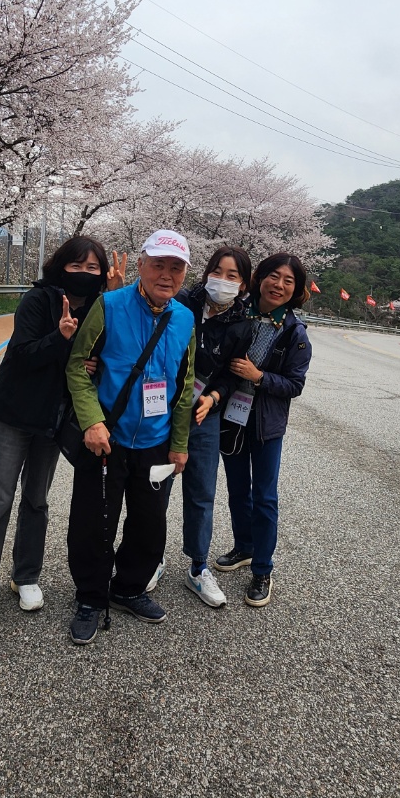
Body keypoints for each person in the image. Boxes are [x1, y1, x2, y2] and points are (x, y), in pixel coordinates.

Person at [0, 236, 126, 628]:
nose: (84, 273)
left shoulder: (102, 307)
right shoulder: (38, 300)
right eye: (77, 265)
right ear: (60, 266)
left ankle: (26, 576)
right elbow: (23, 354)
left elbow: (107, 358)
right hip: (14, 413)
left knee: (36, 500)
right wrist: (62, 339)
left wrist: (113, 297)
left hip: (52, 420)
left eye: (93, 267)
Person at [64, 229, 197, 644]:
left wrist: (180, 444)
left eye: (176, 268)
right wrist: (91, 421)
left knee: (149, 524)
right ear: (140, 265)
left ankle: (128, 588)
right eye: (158, 264)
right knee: (94, 521)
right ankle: (90, 597)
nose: (166, 275)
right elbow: (78, 366)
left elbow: (184, 384)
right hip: (107, 436)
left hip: (156, 441)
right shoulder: (109, 305)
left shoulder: (185, 318)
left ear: (185, 274)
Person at [212, 252, 313, 608]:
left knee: (265, 496)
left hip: (266, 423)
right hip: (232, 416)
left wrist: (259, 377)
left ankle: (262, 568)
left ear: (296, 289)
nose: (279, 285)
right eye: (274, 276)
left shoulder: (294, 333)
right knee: (238, 489)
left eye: (289, 281)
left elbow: (295, 384)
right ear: (260, 278)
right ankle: (244, 546)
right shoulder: (236, 311)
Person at [160, 245, 254, 608]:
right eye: (218, 271)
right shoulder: (181, 302)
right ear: (206, 273)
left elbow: (232, 375)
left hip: (205, 415)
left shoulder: (243, 324)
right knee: (157, 487)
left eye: (233, 276)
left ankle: (198, 567)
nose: (223, 280)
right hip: (164, 411)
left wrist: (213, 398)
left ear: (243, 284)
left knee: (201, 493)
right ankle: (151, 556)